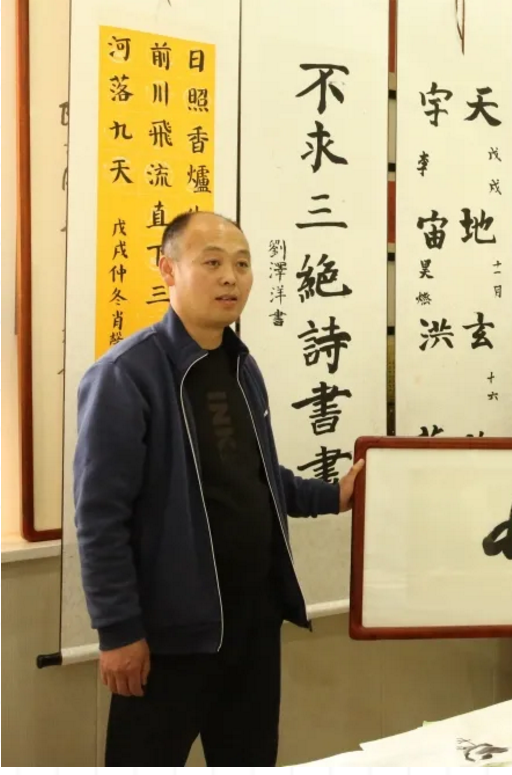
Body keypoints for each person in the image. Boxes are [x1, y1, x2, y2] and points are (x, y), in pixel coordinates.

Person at [73, 211, 364, 766]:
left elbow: (256, 477)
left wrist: (333, 495)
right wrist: (117, 631)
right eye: (212, 262)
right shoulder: (127, 374)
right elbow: (100, 517)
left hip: (252, 626)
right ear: (168, 270)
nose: (231, 277)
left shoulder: (240, 366)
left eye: (242, 264)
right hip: (170, 637)